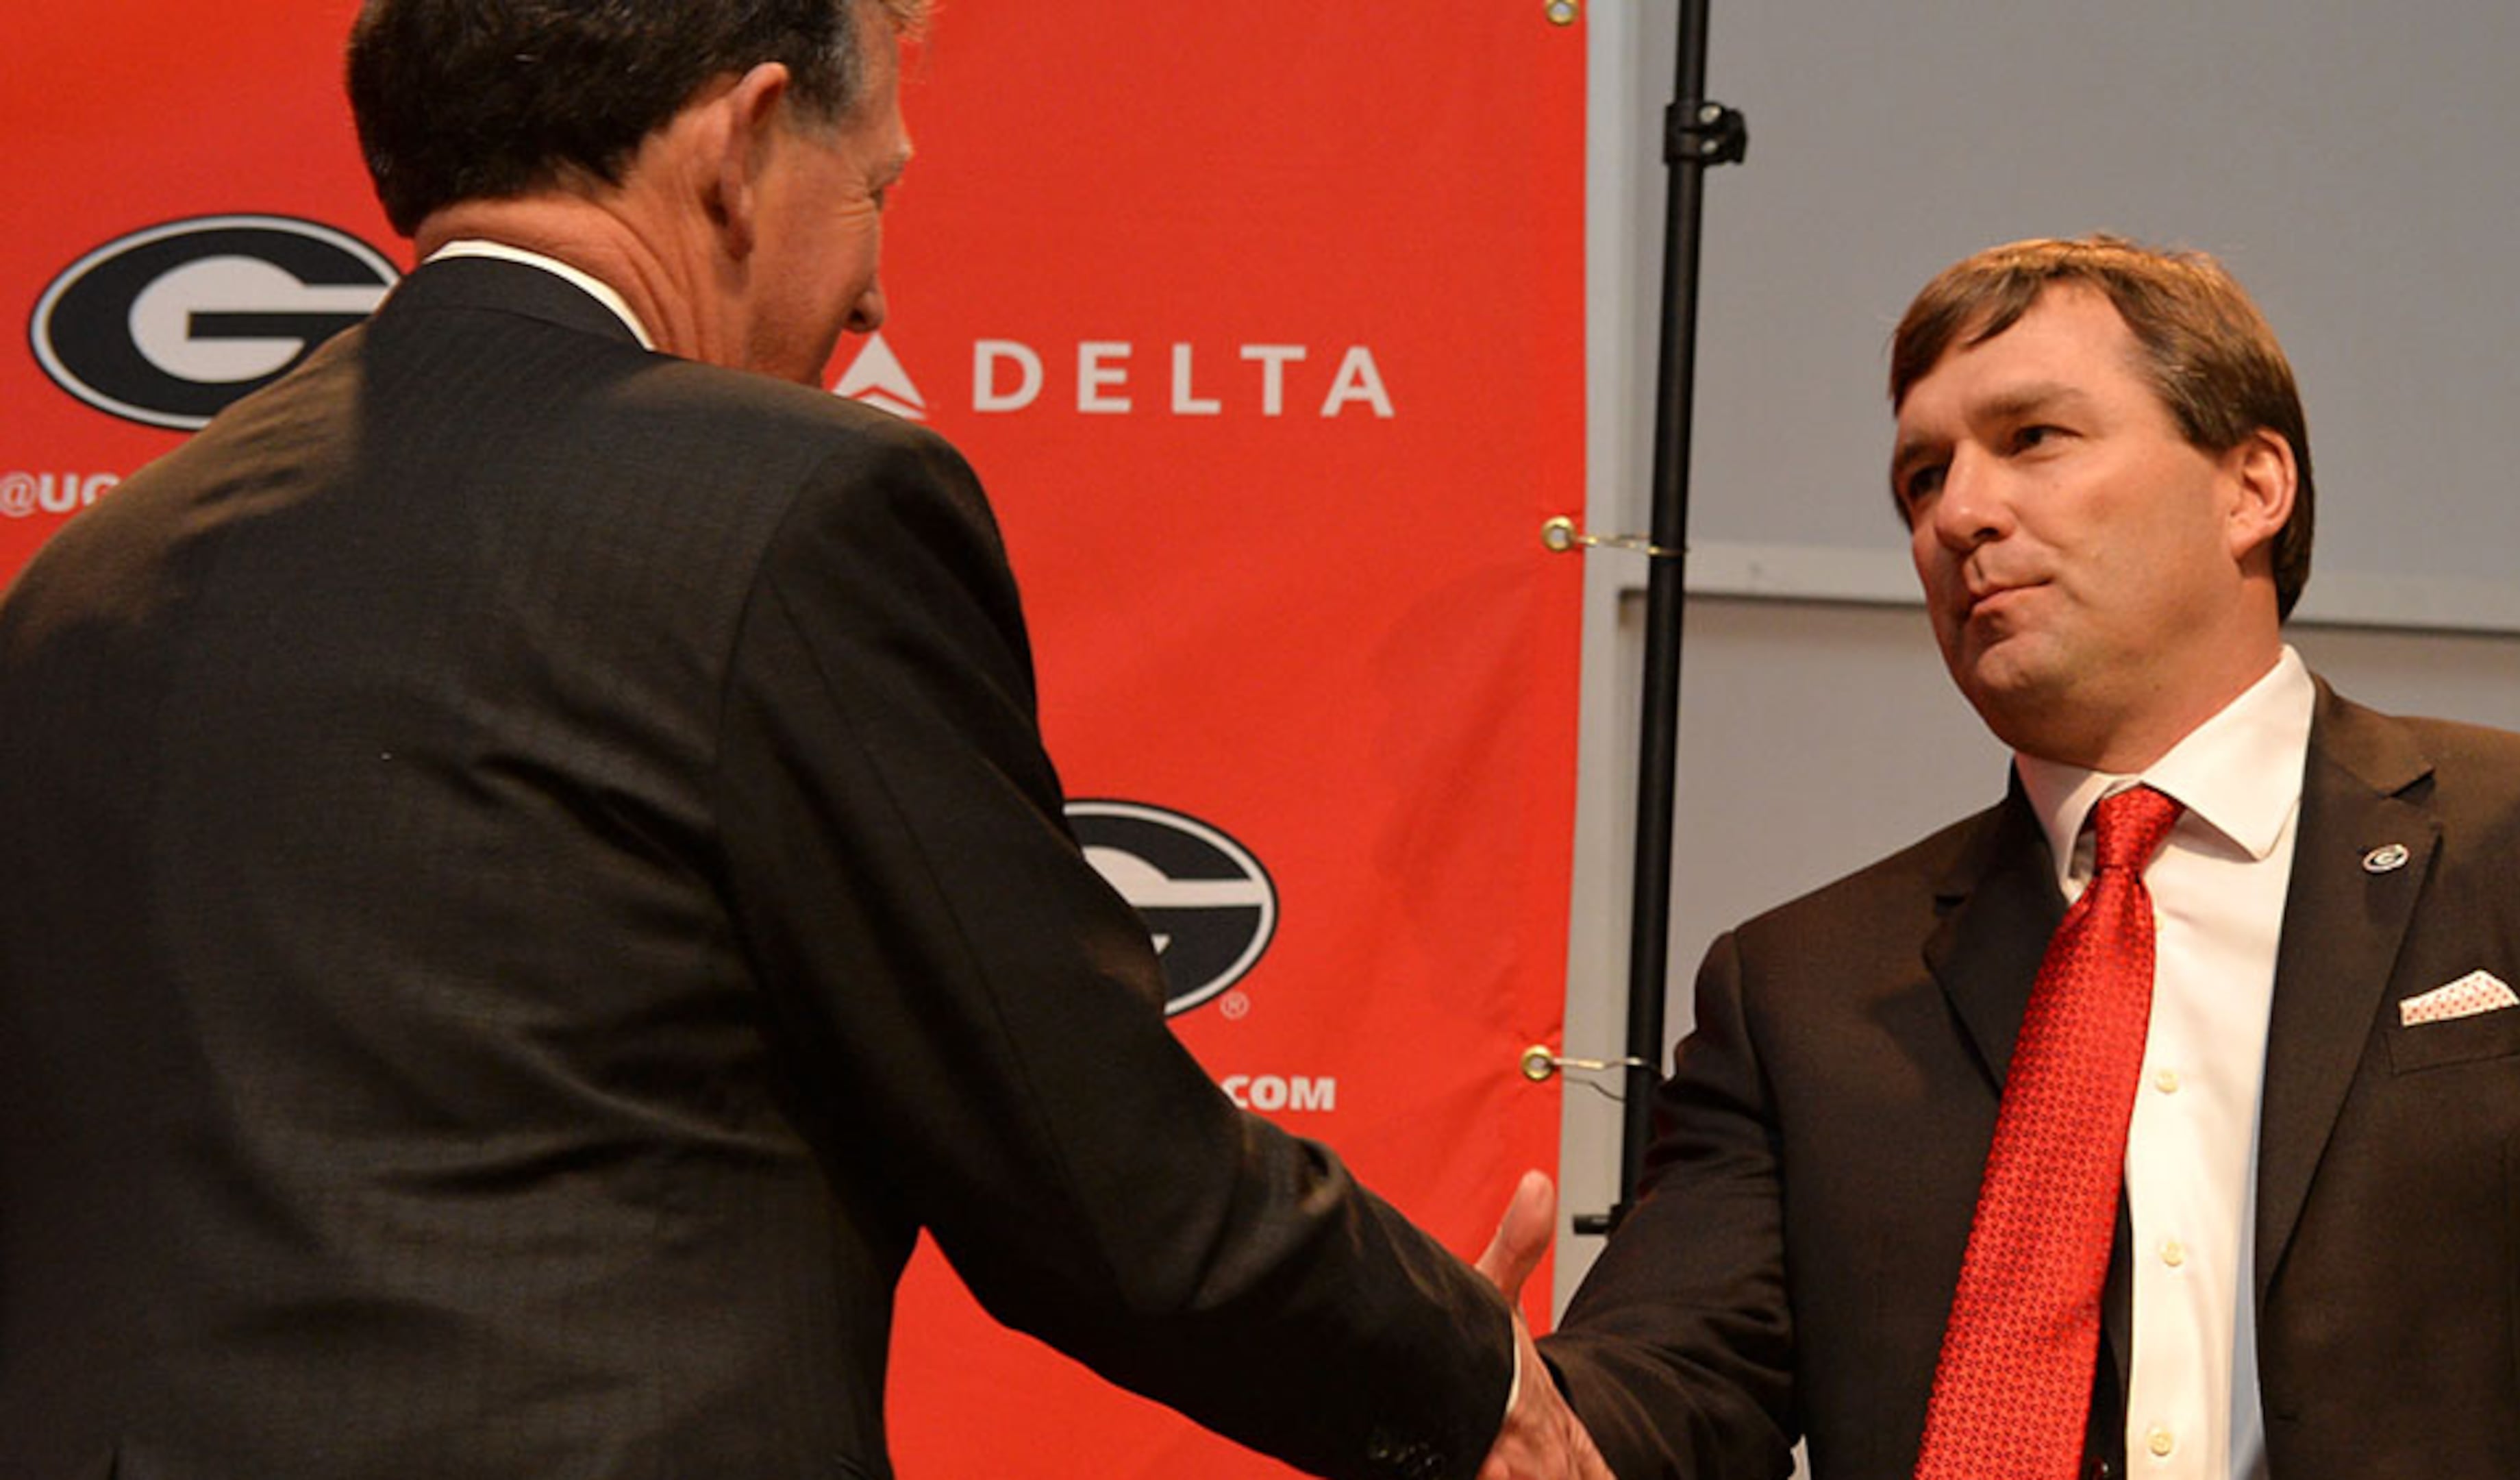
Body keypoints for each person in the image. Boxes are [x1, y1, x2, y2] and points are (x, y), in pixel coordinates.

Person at [0, 3, 1604, 1477]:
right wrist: (1463, 1380)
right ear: (744, 140)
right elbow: (1095, 1164)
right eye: (878, 189)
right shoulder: (793, 508)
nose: (878, 292)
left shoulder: (90, 572)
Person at [1523, 236, 2520, 1478]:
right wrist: (1483, 1388)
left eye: (2034, 438)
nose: (1959, 514)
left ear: (2252, 487)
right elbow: (1649, 1400)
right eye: (1922, 478)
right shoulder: (1801, 990)